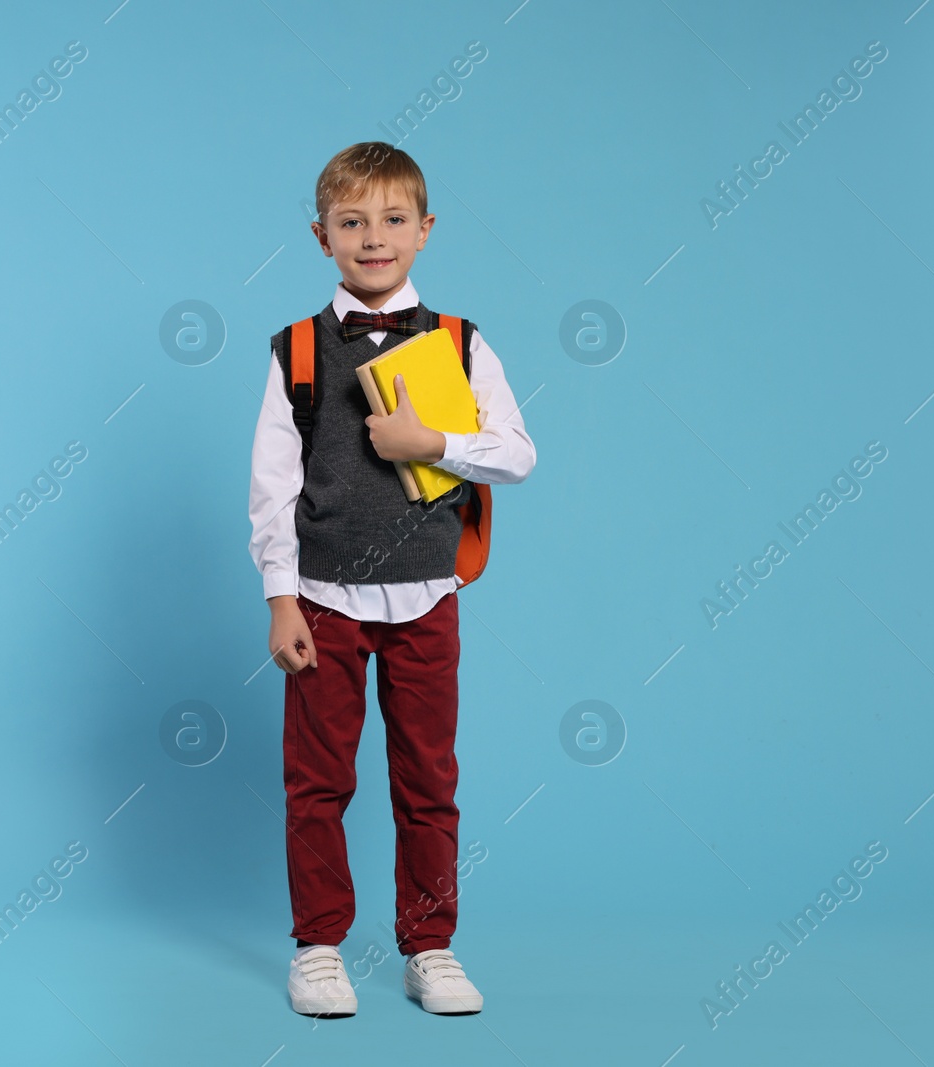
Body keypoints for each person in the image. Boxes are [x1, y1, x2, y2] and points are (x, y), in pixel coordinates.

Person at [247, 141, 536, 1017]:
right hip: (325, 602)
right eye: (352, 222)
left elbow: (518, 455)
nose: (374, 238)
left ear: (425, 230)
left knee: (427, 776)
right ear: (321, 235)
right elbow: (271, 486)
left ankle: (430, 944)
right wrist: (280, 596)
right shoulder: (297, 349)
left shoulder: (459, 342)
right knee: (319, 779)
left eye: (393, 220)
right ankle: (320, 945)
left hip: (426, 597)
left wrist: (435, 445)